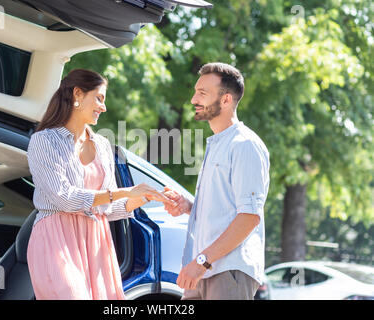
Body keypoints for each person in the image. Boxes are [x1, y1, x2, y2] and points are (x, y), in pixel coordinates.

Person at [26, 68, 171, 300]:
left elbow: (107, 208)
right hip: (56, 239)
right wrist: (123, 192)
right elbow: (63, 198)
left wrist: (142, 197)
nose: (103, 107)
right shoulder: (43, 141)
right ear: (77, 94)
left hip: (96, 242)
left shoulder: (103, 145)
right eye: (99, 98)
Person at [163, 62, 270, 300]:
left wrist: (202, 261)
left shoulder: (244, 145)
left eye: (202, 93)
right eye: (195, 92)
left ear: (226, 100)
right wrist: (189, 207)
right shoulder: (217, 143)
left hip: (228, 271)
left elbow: (249, 217)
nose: (193, 100)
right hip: (204, 272)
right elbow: (225, 211)